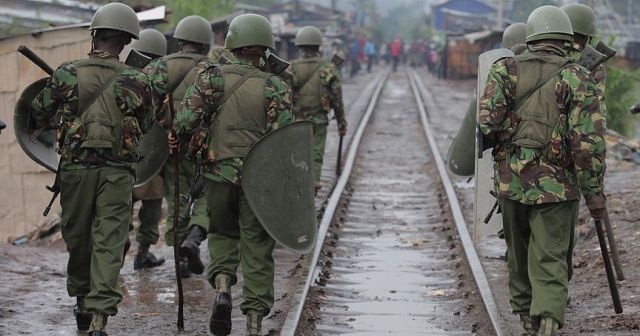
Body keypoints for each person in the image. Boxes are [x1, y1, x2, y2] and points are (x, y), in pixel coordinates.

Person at [478, 6, 606, 336]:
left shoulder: (505, 69)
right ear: (566, 38)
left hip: (511, 182)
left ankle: (525, 317)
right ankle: (549, 317)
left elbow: (486, 124)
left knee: (518, 255)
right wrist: (594, 195)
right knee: (550, 255)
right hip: (558, 186)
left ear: (532, 36)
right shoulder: (579, 77)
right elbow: (588, 144)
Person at [30, 3, 154, 335]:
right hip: (117, 173)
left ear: (95, 35)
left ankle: (83, 302)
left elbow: (36, 116)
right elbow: (147, 124)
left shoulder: (66, 72)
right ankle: (100, 317)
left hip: (75, 171)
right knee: (110, 242)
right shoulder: (137, 80)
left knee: (78, 238)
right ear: (127, 41)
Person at [176, 13, 293, 336]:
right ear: (266, 47)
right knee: (257, 245)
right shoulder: (275, 85)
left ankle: (224, 287)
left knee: (222, 235)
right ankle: (254, 323)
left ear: (232, 43)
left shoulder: (210, 78)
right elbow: (286, 139)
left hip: (218, 174)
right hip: (261, 180)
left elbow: (185, 122)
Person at [143, 15, 214, 278]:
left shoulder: (160, 67)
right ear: (205, 43)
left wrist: (165, 126)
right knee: (208, 194)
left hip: (171, 145)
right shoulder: (213, 68)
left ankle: (179, 259)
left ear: (180, 41)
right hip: (207, 146)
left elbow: (143, 106)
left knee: (177, 197)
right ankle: (194, 237)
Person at [128, 28, 168, 270]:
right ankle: (142, 252)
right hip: (150, 153)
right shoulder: (161, 80)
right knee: (151, 207)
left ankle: (119, 245)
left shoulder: (123, 75)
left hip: (122, 154)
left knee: (121, 205)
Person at [289, 26, 347, 192]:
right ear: (318, 46)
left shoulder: (290, 68)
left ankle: (298, 184)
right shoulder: (328, 68)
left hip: (296, 119)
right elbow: (337, 98)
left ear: (299, 46)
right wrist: (341, 123)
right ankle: (313, 183)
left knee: (297, 153)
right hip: (319, 119)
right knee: (316, 153)